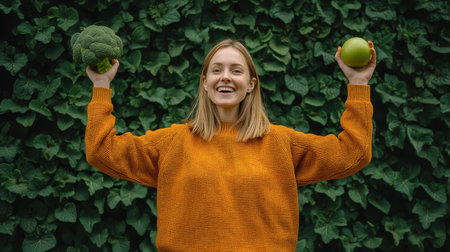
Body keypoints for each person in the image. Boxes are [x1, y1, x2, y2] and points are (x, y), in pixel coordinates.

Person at [85, 38, 376, 251]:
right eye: (217, 70)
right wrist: (101, 85)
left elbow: (353, 153)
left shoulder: (280, 143)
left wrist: (359, 83)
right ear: (205, 83)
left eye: (236, 70)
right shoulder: (172, 142)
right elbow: (102, 150)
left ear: (251, 84)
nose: (225, 76)